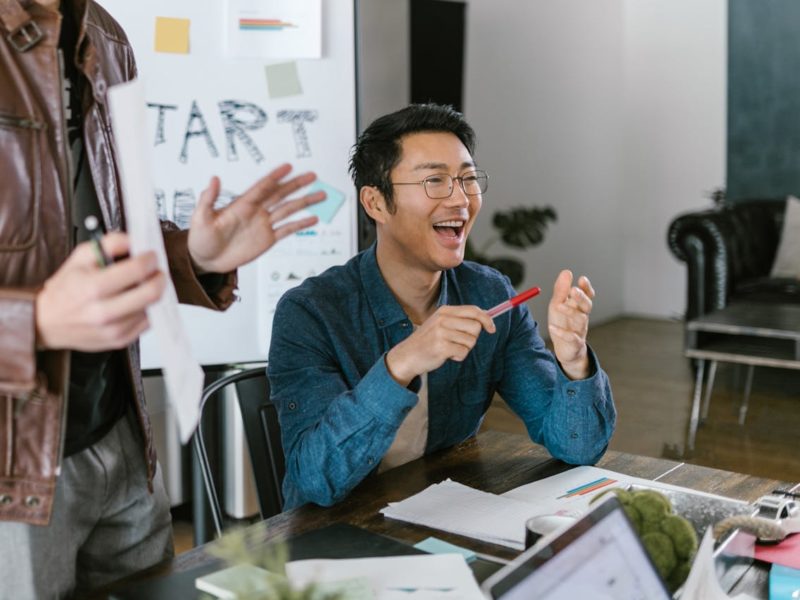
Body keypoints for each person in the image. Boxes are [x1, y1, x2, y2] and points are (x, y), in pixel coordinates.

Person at [0, 0, 324, 596]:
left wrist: (195, 257)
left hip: (118, 430)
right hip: (15, 465)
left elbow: (108, 229)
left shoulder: (104, 33)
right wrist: (36, 320)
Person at [268, 103, 616, 510]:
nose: (461, 200)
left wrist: (574, 362)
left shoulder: (489, 294)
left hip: (442, 512)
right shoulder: (310, 313)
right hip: (331, 537)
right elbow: (315, 480)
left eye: (467, 179)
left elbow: (577, 448)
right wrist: (402, 363)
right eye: (434, 180)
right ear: (375, 203)